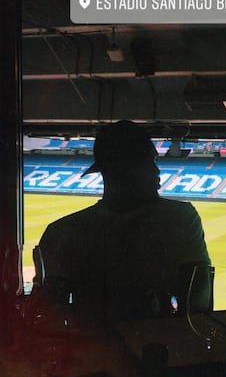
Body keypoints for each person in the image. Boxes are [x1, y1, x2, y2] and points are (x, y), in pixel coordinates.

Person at [32, 120, 211, 326]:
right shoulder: (180, 218)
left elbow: (50, 314)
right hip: (158, 347)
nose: (157, 172)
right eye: (147, 162)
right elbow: (198, 303)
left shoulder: (61, 232)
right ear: (117, 169)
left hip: (92, 350)